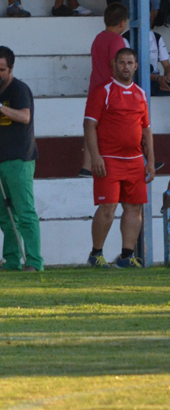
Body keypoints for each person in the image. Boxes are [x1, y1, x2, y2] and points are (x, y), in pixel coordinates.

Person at [84, 48, 155, 268]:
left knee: (134, 207)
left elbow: (146, 130)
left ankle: (126, 256)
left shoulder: (141, 94)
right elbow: (89, 125)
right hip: (108, 160)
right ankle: (96, 255)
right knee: (108, 207)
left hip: (134, 160)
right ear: (115, 65)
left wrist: (150, 161)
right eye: (122, 62)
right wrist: (95, 157)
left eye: (130, 62)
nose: (126, 66)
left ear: (136, 66)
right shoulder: (102, 91)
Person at [0, 46, 45, 272]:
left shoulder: (19, 89)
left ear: (11, 68)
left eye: (1, 69)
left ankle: (34, 262)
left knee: (25, 212)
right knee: (6, 215)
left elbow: (25, 116)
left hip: (20, 158)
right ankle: (11, 261)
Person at [80, 2, 129, 177]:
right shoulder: (117, 40)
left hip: (94, 88)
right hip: (109, 91)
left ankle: (86, 167)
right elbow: (114, 65)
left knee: (91, 127)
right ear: (123, 22)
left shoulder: (98, 38)